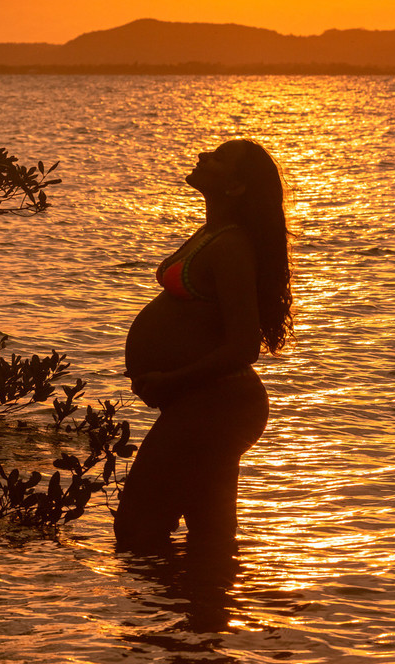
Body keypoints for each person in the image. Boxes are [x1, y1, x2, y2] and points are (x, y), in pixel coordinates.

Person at [115, 138, 293, 554]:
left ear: (235, 187)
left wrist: (171, 380)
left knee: (137, 526)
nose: (202, 156)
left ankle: (160, 611)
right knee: (210, 534)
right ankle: (204, 611)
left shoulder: (230, 245)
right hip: (204, 404)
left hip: (216, 406)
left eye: (219, 157)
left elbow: (244, 346)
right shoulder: (212, 233)